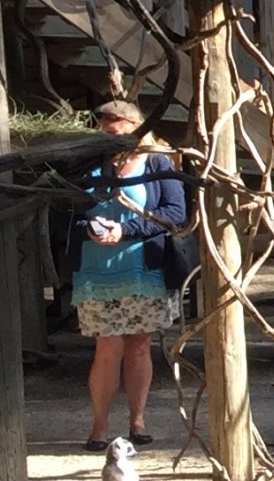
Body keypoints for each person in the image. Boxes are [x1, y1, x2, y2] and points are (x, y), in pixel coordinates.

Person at [71, 97, 187, 452]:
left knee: (139, 345)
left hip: (143, 269)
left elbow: (175, 211)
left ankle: (138, 421)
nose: (111, 132)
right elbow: (65, 205)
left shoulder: (157, 161)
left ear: (137, 127)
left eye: (118, 125)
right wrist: (90, 226)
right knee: (107, 347)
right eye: (105, 127)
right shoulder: (89, 162)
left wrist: (127, 230)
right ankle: (100, 427)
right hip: (97, 271)